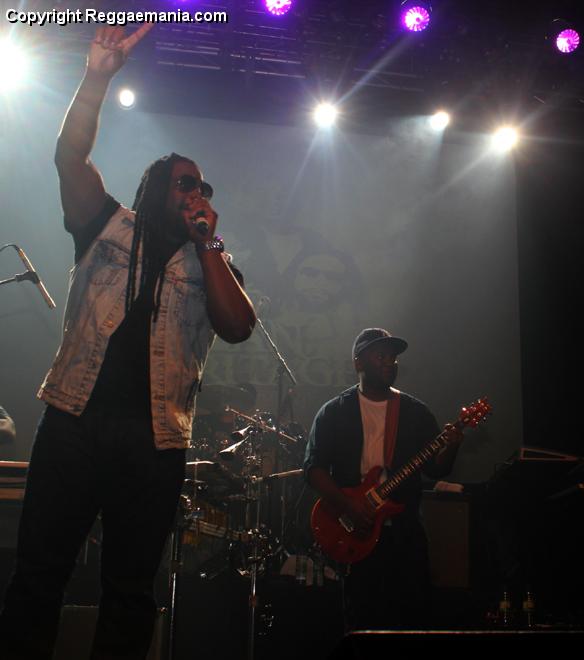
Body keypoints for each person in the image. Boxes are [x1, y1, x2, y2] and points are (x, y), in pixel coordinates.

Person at [0, 24, 255, 659]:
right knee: (38, 578)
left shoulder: (211, 262)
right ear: (155, 188)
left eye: (204, 188)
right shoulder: (106, 225)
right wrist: (96, 78)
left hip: (155, 441)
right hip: (75, 421)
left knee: (130, 591)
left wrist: (209, 245)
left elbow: (237, 326)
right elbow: (69, 159)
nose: (197, 193)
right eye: (185, 183)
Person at [303, 328, 462, 630]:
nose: (389, 362)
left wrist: (453, 445)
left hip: (404, 531)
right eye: (380, 355)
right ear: (358, 363)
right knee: (362, 618)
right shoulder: (335, 412)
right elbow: (313, 468)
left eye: (393, 357)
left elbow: (436, 470)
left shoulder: (415, 412)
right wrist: (348, 505)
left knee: (413, 617)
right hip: (356, 530)